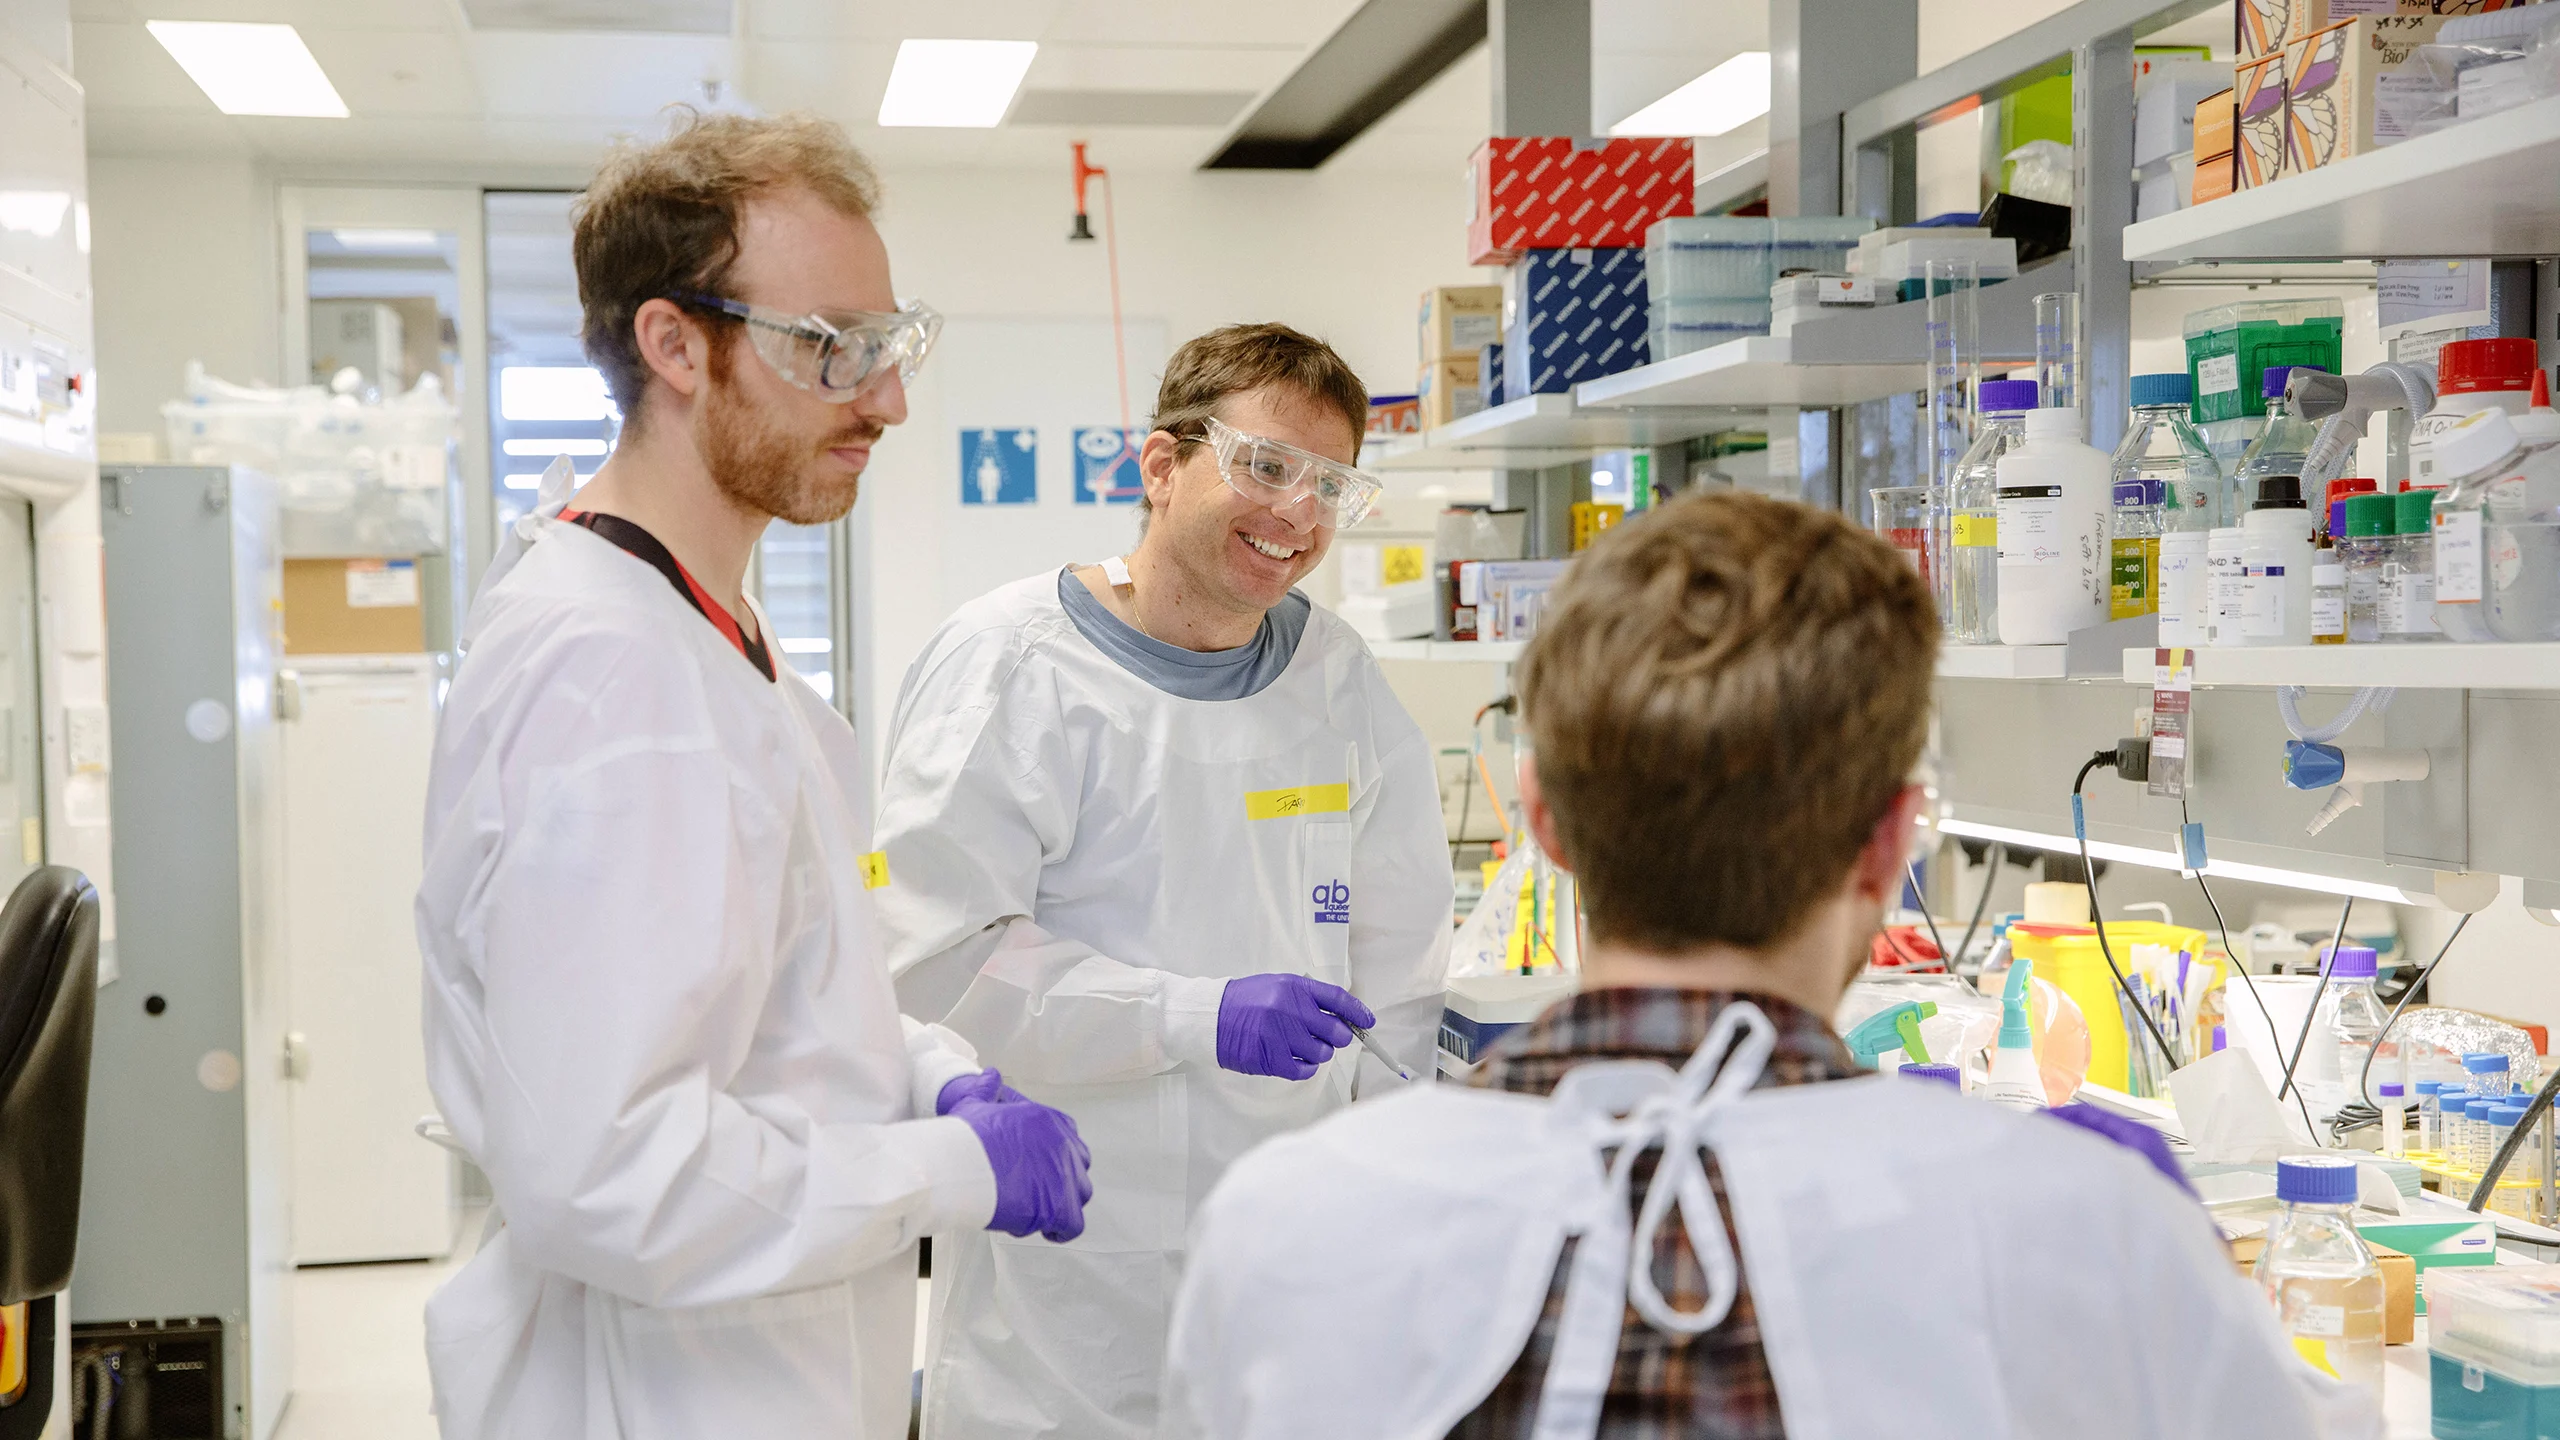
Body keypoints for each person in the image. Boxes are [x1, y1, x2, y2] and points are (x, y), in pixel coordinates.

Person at [1162, 490, 2381, 1440]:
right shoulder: (2077, 1230)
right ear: (1890, 845)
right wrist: (2125, 1248)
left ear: (1541, 822)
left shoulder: (1287, 1221)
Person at [414, 111, 1092, 1440]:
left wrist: (927, 1070)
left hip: (762, 1365)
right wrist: (949, 1166)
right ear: (676, 344)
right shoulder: (613, 676)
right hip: (664, 1389)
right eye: (832, 348)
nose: (887, 398)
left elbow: (770, 1007)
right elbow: (609, 1172)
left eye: (890, 345)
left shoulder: (707, 630)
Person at [873, 323, 1454, 1438]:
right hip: (1071, 1268)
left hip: (1288, 1259)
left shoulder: (1337, 681)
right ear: (1160, 466)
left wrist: (1382, 1179)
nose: (1296, 514)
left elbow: (1403, 967)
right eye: (1266, 466)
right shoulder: (1011, 662)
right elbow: (938, 955)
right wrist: (1195, 1015)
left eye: (1330, 486)